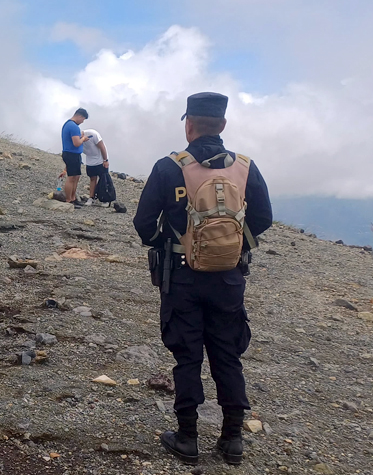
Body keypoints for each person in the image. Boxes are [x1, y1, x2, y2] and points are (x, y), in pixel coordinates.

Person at [133, 92, 272, 467]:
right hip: (229, 278)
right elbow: (263, 218)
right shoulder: (245, 167)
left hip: (181, 277)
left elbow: (143, 224)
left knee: (187, 355)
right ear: (223, 126)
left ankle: (188, 437)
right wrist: (232, 246)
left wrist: (172, 242)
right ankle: (232, 440)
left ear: (188, 125)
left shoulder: (168, 167)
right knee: (228, 355)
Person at [60, 108, 90, 205]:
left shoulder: (68, 124)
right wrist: (83, 139)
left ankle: (73, 198)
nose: (82, 122)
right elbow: (76, 143)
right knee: (71, 177)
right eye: (83, 119)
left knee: (76, 177)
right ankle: (69, 200)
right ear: (79, 116)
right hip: (71, 154)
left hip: (73, 154)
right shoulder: (73, 126)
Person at [81, 128, 110, 206]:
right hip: (90, 161)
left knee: (103, 179)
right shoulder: (76, 141)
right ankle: (91, 197)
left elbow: (102, 147)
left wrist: (105, 160)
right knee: (92, 179)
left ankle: (106, 199)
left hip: (101, 160)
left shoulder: (93, 134)